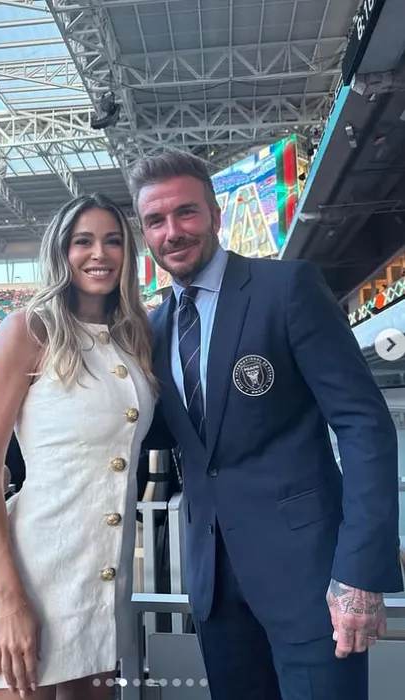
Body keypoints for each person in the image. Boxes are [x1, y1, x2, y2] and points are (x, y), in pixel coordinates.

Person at [128, 150, 402, 700]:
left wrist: (360, 570)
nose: (172, 232)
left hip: (311, 580)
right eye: (155, 221)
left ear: (215, 215)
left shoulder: (287, 288)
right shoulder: (153, 329)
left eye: (186, 212)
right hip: (214, 587)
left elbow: (364, 425)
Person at [0, 194, 156, 700]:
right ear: (61, 252)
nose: (99, 254)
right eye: (83, 241)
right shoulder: (28, 329)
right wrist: (9, 602)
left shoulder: (135, 337)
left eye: (113, 241)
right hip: (28, 579)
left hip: (98, 590)